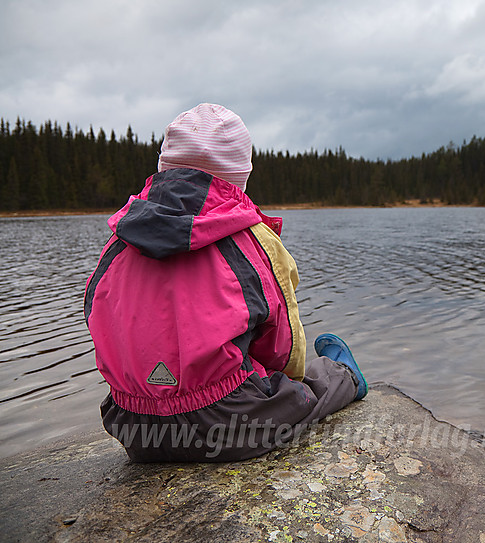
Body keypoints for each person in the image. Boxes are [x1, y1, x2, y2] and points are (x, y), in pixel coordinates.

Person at [83, 103, 367, 462]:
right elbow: (283, 345)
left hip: (133, 426)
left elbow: (96, 315)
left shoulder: (119, 237)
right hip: (225, 424)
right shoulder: (253, 240)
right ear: (240, 175)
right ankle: (346, 376)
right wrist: (287, 387)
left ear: (164, 166)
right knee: (306, 392)